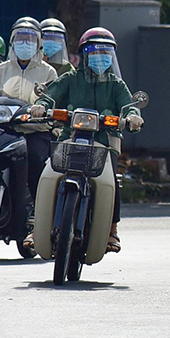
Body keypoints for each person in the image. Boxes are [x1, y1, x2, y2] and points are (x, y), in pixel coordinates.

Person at [36, 28, 143, 254]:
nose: (100, 57)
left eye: (106, 52)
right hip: (70, 139)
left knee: (112, 181)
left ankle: (112, 230)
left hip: (105, 142)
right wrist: (42, 106)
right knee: (47, 174)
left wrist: (133, 116)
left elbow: (128, 105)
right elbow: (50, 96)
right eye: (94, 51)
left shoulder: (116, 84)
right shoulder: (70, 79)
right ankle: (37, 223)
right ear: (84, 54)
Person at [0, 17, 60, 226]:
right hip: (5, 129)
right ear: (12, 42)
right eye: (20, 38)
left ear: (38, 44)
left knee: (34, 160)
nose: (25, 43)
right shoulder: (0, 70)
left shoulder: (48, 72)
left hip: (36, 130)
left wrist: (43, 108)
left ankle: (37, 210)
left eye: (30, 39)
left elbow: (53, 99)